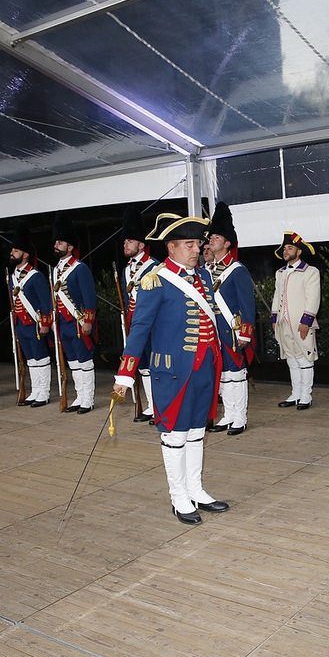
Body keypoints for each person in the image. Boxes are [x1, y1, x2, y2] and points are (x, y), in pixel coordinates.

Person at [113, 212, 228, 525]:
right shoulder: (155, 280)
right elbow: (139, 328)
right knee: (175, 435)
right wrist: (125, 373)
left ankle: (196, 489)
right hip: (173, 371)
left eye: (198, 244)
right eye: (189, 244)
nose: (196, 249)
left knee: (196, 431)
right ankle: (178, 497)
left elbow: (212, 320)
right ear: (172, 248)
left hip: (204, 367)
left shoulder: (203, 277)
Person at [206, 202, 256, 436]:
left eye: (216, 237)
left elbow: (247, 305)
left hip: (233, 331)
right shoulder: (207, 271)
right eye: (211, 237)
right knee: (224, 375)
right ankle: (228, 415)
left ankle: (240, 417)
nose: (211, 240)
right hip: (214, 332)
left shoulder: (237, 270)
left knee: (236, 374)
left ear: (227, 243)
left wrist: (245, 333)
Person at [52, 213, 98, 414]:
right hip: (64, 323)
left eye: (60, 242)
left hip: (79, 323)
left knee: (84, 360)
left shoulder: (80, 269)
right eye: (56, 241)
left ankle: (88, 399)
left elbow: (89, 297)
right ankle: (79, 397)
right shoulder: (56, 270)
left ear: (70, 247)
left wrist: (88, 321)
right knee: (72, 361)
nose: (56, 244)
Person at [271, 231, 320, 410]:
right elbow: (277, 295)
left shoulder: (310, 271)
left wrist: (306, 320)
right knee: (291, 358)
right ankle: (295, 394)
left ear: (299, 252)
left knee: (305, 359)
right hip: (284, 323)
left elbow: (313, 298)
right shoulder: (280, 272)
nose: (286, 251)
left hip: (301, 322)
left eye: (290, 248)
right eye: (284, 248)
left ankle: (306, 396)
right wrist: (275, 316)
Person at [9, 222, 54, 407]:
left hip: (35, 323)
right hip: (21, 324)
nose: (12, 253)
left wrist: (45, 322)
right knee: (30, 359)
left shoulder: (35, 276)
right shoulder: (13, 276)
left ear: (25, 255)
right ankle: (35, 390)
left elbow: (45, 302)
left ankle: (43, 392)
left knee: (41, 357)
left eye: (16, 250)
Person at [121, 207, 159, 422]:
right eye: (125, 241)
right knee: (143, 365)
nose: (126, 245)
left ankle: (160, 407)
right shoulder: (127, 269)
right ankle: (152, 406)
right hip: (135, 325)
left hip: (152, 326)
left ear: (141, 245)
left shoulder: (154, 267)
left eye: (130, 241)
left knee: (154, 366)